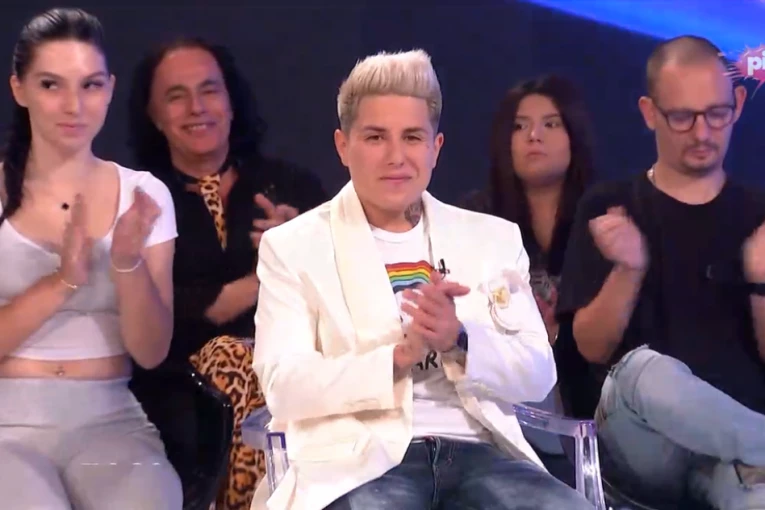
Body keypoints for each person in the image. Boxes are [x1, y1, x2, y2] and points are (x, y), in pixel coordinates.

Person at [251, 49, 593, 510]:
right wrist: (396, 358)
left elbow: (537, 374)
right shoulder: (293, 247)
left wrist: (460, 340)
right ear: (343, 146)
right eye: (376, 137)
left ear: (435, 148)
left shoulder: (491, 238)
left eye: (412, 137)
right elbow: (284, 386)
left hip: (480, 454)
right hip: (361, 461)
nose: (396, 157)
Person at [556, 35, 765, 509]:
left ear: (737, 103)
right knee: (643, 370)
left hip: (738, 459)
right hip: (643, 446)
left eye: (716, 114)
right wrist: (628, 269)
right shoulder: (609, 205)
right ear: (650, 113)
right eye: (682, 117)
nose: (702, 132)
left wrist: (760, 281)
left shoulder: (759, 215)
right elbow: (590, 348)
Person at [128, 37, 326, 509]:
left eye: (209, 90)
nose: (197, 108)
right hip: (180, 388)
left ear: (232, 102)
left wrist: (307, 247)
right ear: (154, 115)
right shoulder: (139, 202)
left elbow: (341, 289)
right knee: (232, 355)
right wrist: (273, 270)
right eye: (176, 96)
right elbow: (170, 316)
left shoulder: (292, 187)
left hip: (294, 369)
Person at [0, 8, 181, 509]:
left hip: (110, 422)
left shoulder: (144, 195)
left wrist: (126, 263)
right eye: (51, 85)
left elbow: (151, 351)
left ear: (110, 88)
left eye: (91, 85)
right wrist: (62, 282)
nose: (73, 106)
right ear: (19, 89)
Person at [463, 74, 595, 472]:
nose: (534, 136)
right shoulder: (475, 219)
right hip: (506, 395)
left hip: (587, 392)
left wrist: (559, 332)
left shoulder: (602, 217)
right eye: (520, 127)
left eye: (551, 124)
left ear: (574, 135)